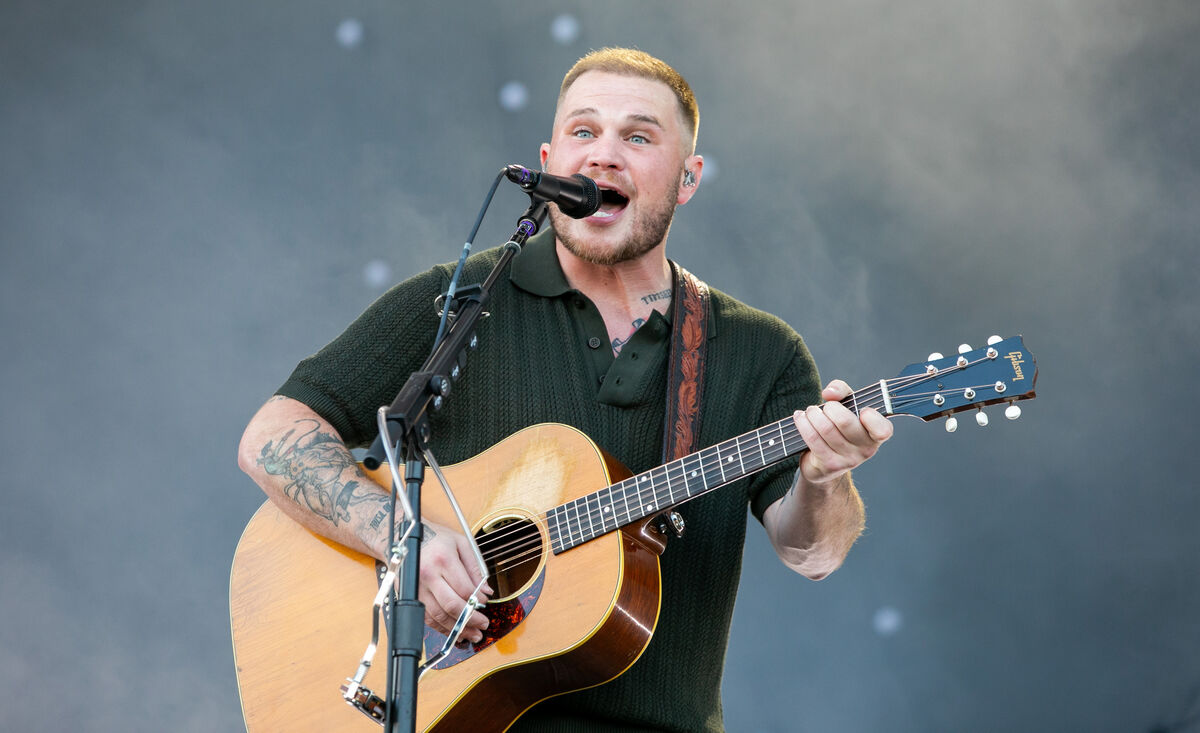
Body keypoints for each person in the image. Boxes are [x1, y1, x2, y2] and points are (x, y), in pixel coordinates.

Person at [238, 47, 892, 732]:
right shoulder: (458, 302)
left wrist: (825, 477)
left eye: (638, 137)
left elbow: (814, 552)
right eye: (584, 133)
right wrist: (404, 539)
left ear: (688, 178)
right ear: (550, 161)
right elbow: (270, 436)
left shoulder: (761, 350)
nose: (603, 157)